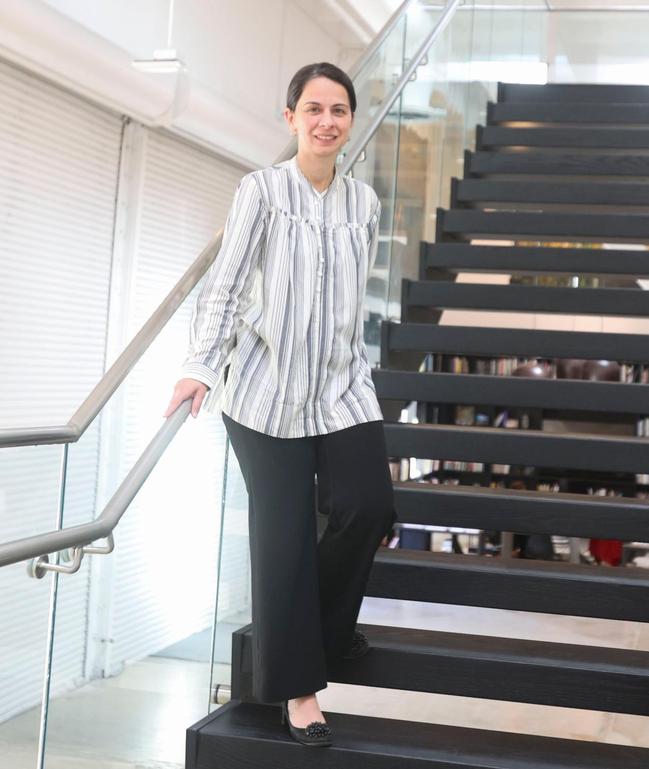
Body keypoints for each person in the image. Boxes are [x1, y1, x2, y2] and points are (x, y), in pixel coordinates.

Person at [164, 62, 395, 748]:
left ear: (351, 121)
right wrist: (200, 365)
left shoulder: (366, 205)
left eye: (340, 110)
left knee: (370, 505)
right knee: (286, 538)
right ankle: (301, 690)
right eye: (314, 108)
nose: (328, 121)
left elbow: (355, 301)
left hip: (343, 387)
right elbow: (229, 285)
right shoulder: (260, 191)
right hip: (265, 396)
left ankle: (318, 633)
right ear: (289, 117)